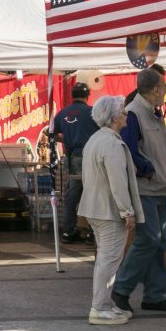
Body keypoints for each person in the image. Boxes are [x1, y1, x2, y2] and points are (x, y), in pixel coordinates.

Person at [112, 68, 166, 314]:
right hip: (146, 188)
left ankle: (154, 295)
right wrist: (148, 169)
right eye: (164, 87)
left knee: (159, 241)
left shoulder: (150, 113)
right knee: (149, 239)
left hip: (158, 187)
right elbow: (128, 149)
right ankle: (121, 290)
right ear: (155, 89)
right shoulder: (134, 113)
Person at [79, 95, 144, 325]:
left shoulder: (95, 140)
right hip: (109, 210)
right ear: (115, 117)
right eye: (124, 112)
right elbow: (118, 181)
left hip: (95, 208)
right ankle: (100, 308)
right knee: (109, 260)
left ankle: (104, 305)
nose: (126, 115)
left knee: (105, 259)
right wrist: (127, 211)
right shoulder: (112, 143)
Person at [52, 82, 100, 243]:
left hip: (72, 158)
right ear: (88, 95)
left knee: (72, 196)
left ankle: (68, 232)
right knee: (93, 194)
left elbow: (50, 133)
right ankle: (92, 233)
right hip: (91, 157)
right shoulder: (93, 112)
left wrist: (65, 139)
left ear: (73, 95)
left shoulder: (62, 113)